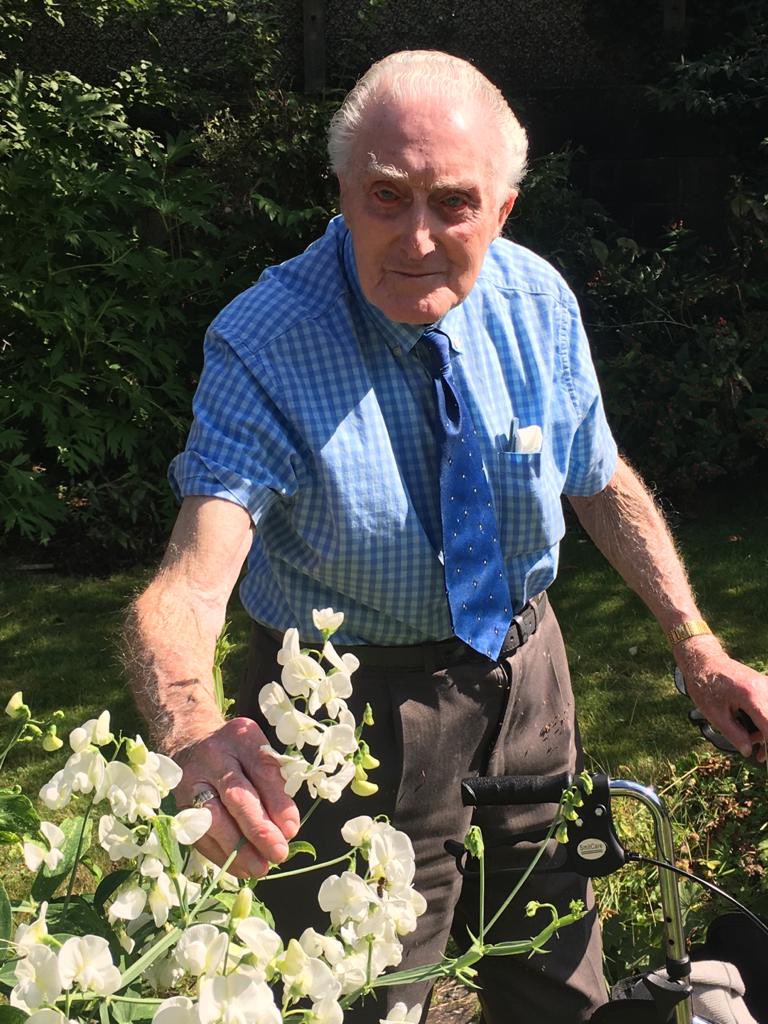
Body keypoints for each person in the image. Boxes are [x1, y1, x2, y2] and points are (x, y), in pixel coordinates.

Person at [124, 50, 768, 1024]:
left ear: (502, 210)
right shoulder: (265, 341)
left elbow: (597, 478)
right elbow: (189, 581)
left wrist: (696, 644)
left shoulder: (538, 302)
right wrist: (190, 728)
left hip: (526, 671)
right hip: (342, 708)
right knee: (358, 994)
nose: (417, 236)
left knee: (558, 972)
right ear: (341, 190)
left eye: (453, 203)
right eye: (385, 196)